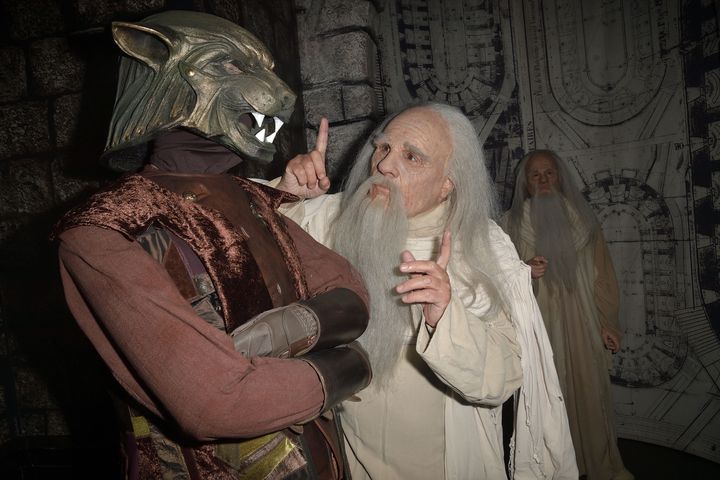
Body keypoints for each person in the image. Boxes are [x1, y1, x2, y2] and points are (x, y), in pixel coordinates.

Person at [52, 11, 372, 479]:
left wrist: (256, 349)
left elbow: (353, 297)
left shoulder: (252, 201)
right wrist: (350, 364)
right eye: (228, 65)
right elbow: (216, 402)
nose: (279, 92)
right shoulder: (102, 230)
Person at [268, 103, 578, 479]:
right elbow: (246, 240)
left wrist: (446, 315)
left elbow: (505, 375)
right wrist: (286, 195)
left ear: (447, 183)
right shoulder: (336, 217)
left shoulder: (481, 246)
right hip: (351, 457)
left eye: (411, 156)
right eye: (382, 148)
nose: (383, 165)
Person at [503, 150, 633, 480]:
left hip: (585, 324)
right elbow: (497, 281)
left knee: (592, 397)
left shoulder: (584, 222)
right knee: (548, 399)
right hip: (540, 329)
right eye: (535, 175)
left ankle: (601, 466)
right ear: (526, 184)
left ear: (560, 177)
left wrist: (609, 322)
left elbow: (604, 276)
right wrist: (523, 272)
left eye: (549, 173)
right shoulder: (510, 226)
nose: (544, 179)